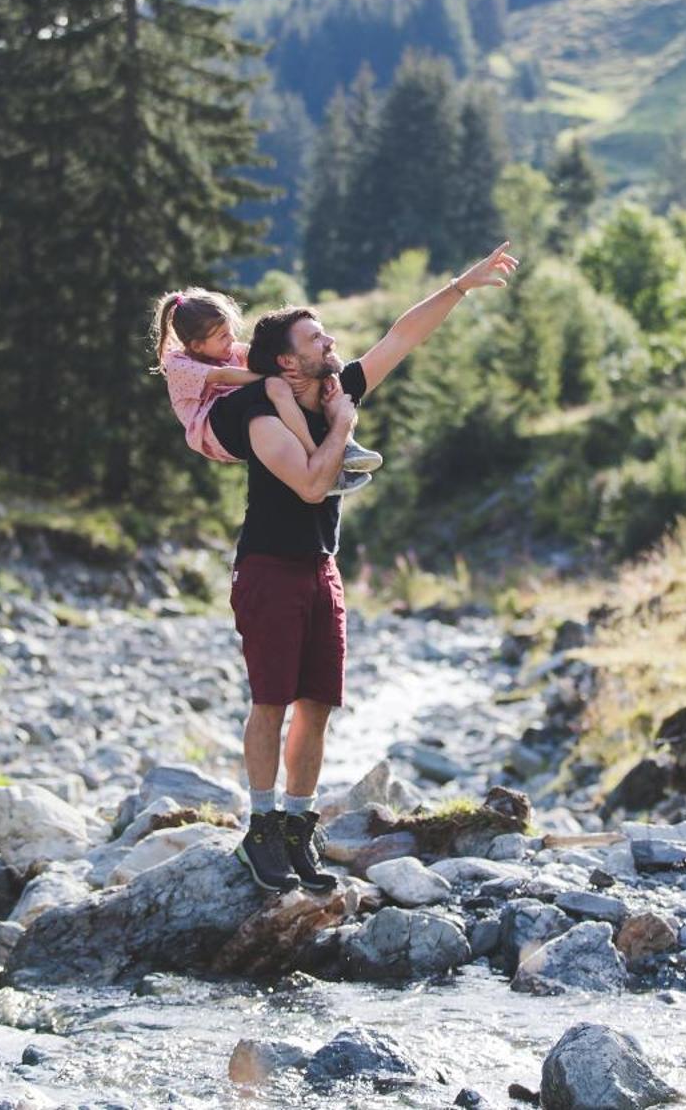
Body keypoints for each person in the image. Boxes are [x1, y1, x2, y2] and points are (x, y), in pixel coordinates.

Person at [208, 242, 520, 891]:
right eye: (317, 338)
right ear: (287, 359)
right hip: (268, 568)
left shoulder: (334, 388)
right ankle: (259, 829)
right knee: (270, 701)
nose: (332, 343)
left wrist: (460, 284)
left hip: (321, 568)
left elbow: (401, 334)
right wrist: (343, 427)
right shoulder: (260, 415)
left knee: (317, 704)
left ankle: (298, 827)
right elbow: (311, 486)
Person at [152, 287, 381, 496]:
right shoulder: (177, 364)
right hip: (213, 428)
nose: (231, 338)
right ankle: (318, 454)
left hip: (233, 412)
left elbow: (265, 355)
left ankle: (346, 447)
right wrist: (274, 378)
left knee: (303, 377)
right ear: (196, 346)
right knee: (276, 385)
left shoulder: (228, 350)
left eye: (230, 331)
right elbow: (224, 375)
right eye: (222, 336)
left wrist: (325, 374)